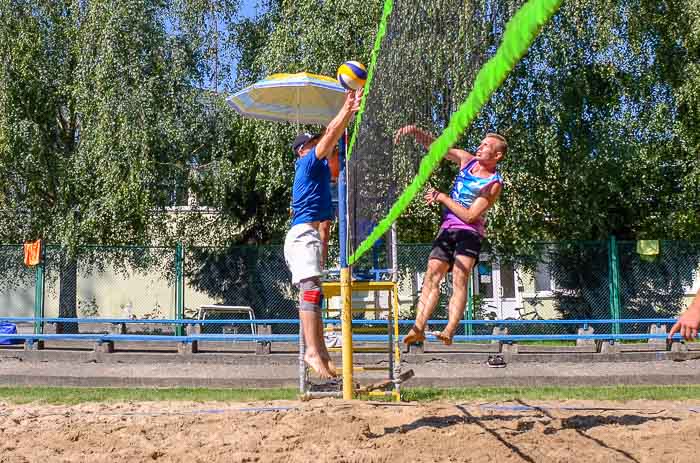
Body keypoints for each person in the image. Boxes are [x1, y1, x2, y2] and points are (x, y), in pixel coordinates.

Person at [394, 125, 506, 346]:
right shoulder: (468, 159)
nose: (480, 147)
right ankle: (418, 328)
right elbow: (438, 148)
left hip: (470, 231)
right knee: (432, 274)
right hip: (447, 228)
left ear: (497, 155)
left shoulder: (493, 183)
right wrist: (415, 131)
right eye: (481, 143)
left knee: (459, 277)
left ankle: (450, 329)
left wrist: (443, 198)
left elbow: (470, 215)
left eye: (486, 145)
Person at [284, 89, 362, 378]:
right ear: (303, 150)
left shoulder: (316, 170)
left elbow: (333, 134)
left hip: (308, 236)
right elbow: (331, 131)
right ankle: (312, 351)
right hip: (302, 235)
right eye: (314, 144)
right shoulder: (308, 162)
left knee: (314, 291)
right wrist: (348, 107)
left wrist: (347, 116)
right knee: (311, 291)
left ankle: (324, 356)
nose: (321, 146)